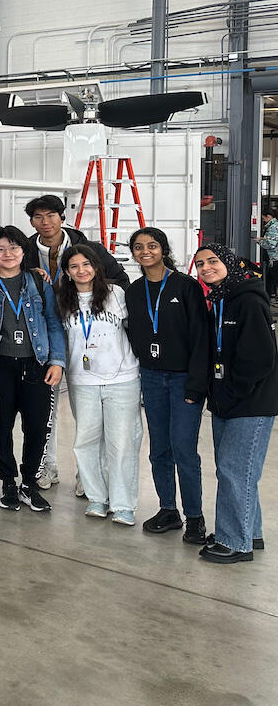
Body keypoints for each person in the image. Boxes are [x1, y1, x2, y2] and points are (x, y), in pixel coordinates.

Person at [23, 193, 129, 492]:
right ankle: (47, 466)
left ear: (62, 217)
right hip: (46, 341)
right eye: (38, 217)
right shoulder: (26, 251)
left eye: (51, 215)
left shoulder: (90, 249)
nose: (46, 223)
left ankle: (89, 476)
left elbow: (120, 281)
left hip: (87, 338)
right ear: (31, 221)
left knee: (89, 414)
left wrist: (82, 293)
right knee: (46, 409)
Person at [0, 226, 66, 512]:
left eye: (13, 247)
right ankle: (8, 482)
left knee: (36, 427)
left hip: (36, 364)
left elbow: (52, 322)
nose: (8, 254)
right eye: (0, 249)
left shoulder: (38, 282)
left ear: (24, 251)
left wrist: (56, 361)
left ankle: (29, 484)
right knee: (1, 427)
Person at [192, 244, 277, 564]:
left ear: (229, 263)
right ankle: (249, 532)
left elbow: (260, 360)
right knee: (241, 472)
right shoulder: (221, 299)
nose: (206, 268)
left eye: (212, 261)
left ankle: (234, 542)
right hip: (227, 400)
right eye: (200, 264)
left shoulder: (249, 301)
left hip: (249, 403)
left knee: (233, 471)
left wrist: (231, 392)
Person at [124, 227, 210, 543]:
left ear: (163, 249)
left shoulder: (186, 287)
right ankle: (168, 510)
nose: (145, 251)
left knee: (184, 449)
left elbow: (202, 340)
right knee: (159, 449)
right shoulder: (134, 291)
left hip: (184, 378)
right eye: (138, 247)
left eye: (151, 245)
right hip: (151, 377)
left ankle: (196, 518)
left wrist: (196, 387)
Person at [55, 244, 142, 526]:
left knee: (121, 443)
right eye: (74, 267)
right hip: (82, 380)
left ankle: (123, 504)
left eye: (86, 264)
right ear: (67, 272)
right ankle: (96, 498)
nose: (81, 271)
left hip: (122, 378)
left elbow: (134, 329)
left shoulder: (116, 294)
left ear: (96, 266)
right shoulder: (61, 300)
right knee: (86, 442)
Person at [257, 212, 278, 301]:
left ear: (268, 217)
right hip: (275, 257)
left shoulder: (272, 228)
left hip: (275, 257)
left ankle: (269, 297)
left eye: (263, 218)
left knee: (273, 279)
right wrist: (263, 238)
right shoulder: (275, 225)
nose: (263, 221)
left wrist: (259, 242)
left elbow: (271, 245)